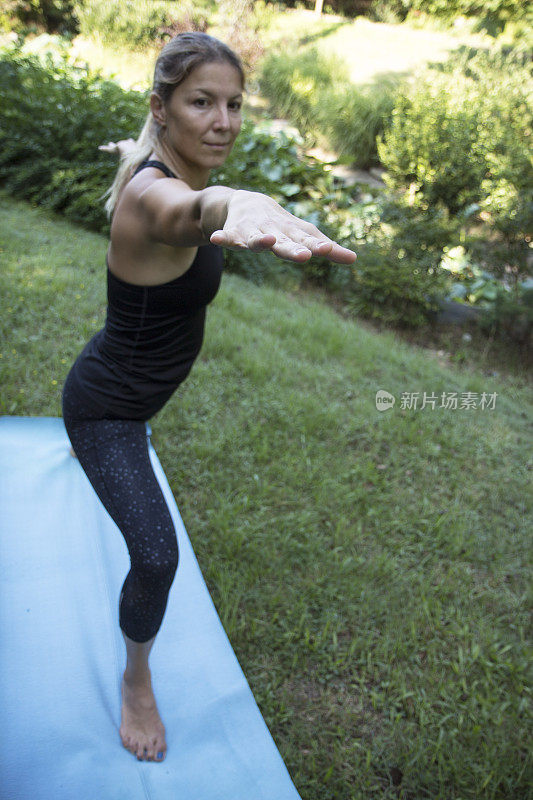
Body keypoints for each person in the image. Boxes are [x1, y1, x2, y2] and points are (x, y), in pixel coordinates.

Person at [62, 31, 356, 765]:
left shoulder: (158, 163)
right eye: (202, 102)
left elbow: (178, 188)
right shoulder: (156, 196)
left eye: (232, 103)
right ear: (161, 108)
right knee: (157, 557)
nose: (223, 120)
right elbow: (182, 211)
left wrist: (217, 193)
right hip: (108, 412)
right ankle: (136, 680)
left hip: (135, 396)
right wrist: (236, 200)